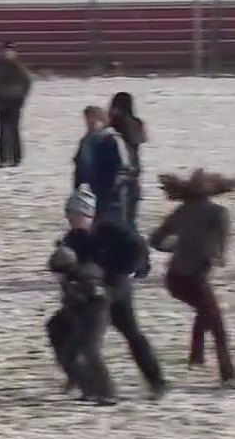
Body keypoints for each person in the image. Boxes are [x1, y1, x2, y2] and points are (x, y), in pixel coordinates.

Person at [46, 188, 168, 401]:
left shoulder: (113, 231)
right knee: (57, 327)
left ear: (87, 214)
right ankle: (79, 377)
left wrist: (126, 272)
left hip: (117, 288)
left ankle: (156, 382)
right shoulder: (73, 239)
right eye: (69, 216)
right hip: (91, 295)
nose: (71, 220)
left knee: (131, 333)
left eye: (74, 215)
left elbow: (139, 249)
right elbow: (68, 268)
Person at [153, 170, 234, 387]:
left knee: (205, 309)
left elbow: (155, 240)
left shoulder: (181, 211)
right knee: (217, 325)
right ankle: (229, 375)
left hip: (174, 279)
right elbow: (216, 251)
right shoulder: (219, 213)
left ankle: (196, 358)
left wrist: (176, 247)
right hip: (195, 276)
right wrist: (215, 256)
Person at [0, 41, 31, 167]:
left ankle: (16, 158)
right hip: (2, 101)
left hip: (14, 101)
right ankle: (3, 158)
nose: (8, 54)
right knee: (2, 130)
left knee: (13, 129)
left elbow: (26, 83)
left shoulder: (19, 68)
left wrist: (21, 97)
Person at [108, 92, 147, 233]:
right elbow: (141, 140)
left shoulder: (113, 124)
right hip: (134, 173)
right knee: (131, 219)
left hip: (117, 176)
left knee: (115, 219)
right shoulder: (137, 123)